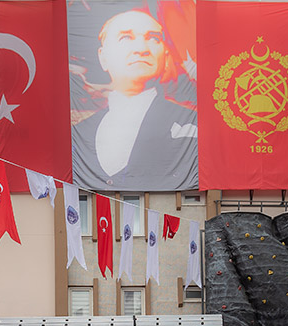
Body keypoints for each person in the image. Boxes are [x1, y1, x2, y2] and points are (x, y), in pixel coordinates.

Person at [71, 9, 198, 190]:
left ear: (166, 55)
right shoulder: (79, 133)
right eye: (126, 38)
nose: (141, 49)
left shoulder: (192, 125)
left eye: (153, 38)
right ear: (103, 57)